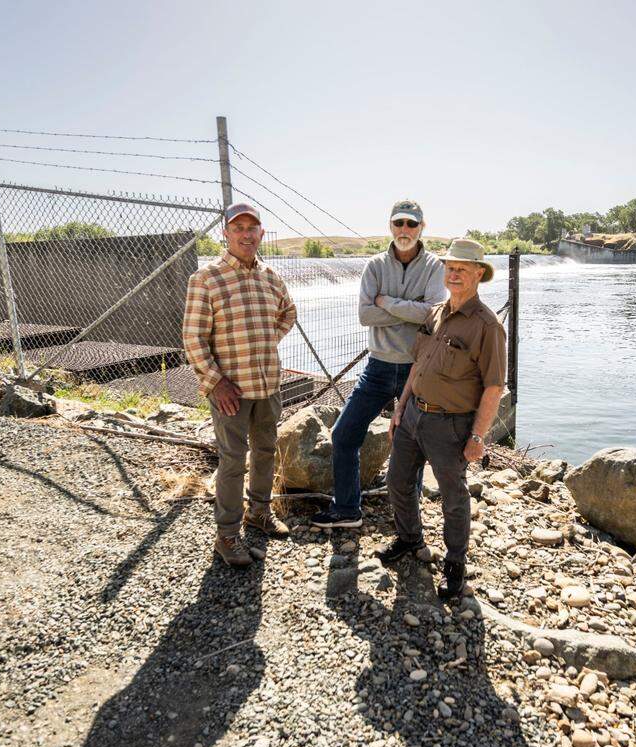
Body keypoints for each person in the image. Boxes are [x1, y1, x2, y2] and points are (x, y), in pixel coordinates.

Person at [377, 238, 506, 600]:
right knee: (397, 480)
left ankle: (454, 566)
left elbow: (494, 388)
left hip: (450, 426)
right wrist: (401, 407)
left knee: (453, 498)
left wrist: (477, 437)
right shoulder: (436, 312)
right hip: (414, 414)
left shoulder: (488, 326)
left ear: (479, 274)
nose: (454, 274)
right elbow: (418, 365)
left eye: (463, 269)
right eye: (450, 267)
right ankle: (409, 539)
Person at [310, 200, 445, 529]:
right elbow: (364, 314)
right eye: (399, 223)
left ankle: (407, 515)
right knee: (344, 434)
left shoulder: (434, 266)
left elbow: (433, 314)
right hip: (378, 366)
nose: (404, 230)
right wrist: (408, 308)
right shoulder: (374, 266)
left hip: (417, 368)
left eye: (411, 224)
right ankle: (347, 509)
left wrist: (386, 302)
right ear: (390, 226)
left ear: (422, 227)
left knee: (410, 442)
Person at [182, 202, 296, 567]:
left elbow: (288, 313)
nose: (246, 234)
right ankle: (227, 534)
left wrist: (265, 342)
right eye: (239, 228)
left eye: (253, 228)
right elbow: (193, 338)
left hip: (267, 384)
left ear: (261, 233)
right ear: (226, 234)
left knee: (265, 449)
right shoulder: (206, 278)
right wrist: (215, 383)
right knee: (232, 459)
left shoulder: (270, 276)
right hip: (231, 389)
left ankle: (258, 512)